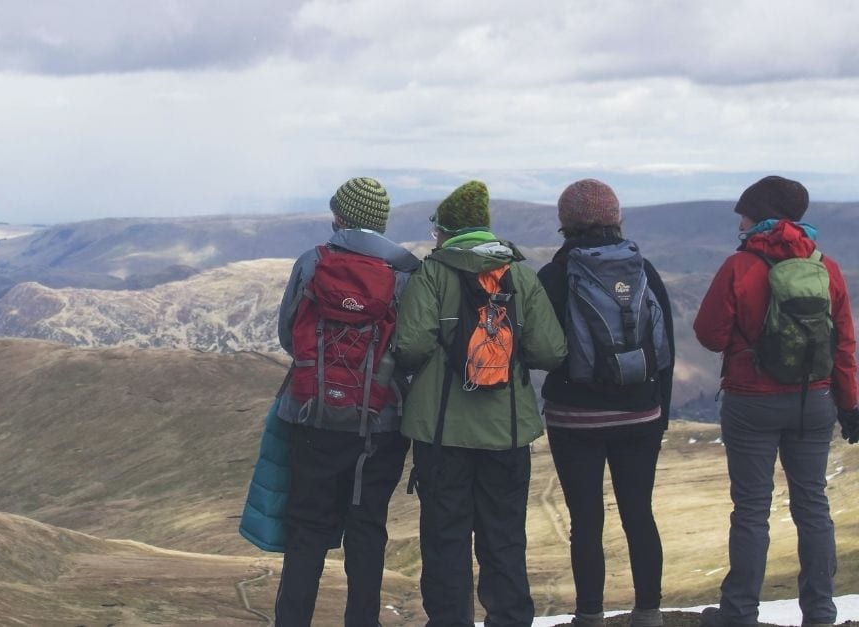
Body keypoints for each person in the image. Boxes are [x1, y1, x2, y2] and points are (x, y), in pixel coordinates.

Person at [394, 180, 567, 626]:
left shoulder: (431, 275)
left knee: (445, 539)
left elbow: (410, 347)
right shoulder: (521, 276)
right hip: (506, 434)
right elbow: (550, 352)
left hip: (440, 435)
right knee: (504, 538)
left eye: (437, 230)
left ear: (447, 231)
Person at [694, 175, 859, 627]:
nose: (740, 221)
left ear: (761, 215)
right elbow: (844, 343)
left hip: (752, 401)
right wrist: (850, 405)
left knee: (751, 508)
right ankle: (821, 613)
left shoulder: (740, 265)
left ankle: (740, 613)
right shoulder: (827, 266)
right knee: (813, 504)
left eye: (744, 213)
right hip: (814, 399)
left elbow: (708, 335)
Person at [272, 176, 420, 626]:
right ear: (381, 221)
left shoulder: (311, 263)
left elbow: (287, 335)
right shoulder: (407, 272)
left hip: (313, 418)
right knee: (367, 528)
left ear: (338, 216)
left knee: (307, 531)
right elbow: (412, 349)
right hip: (379, 425)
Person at [536, 179, 674, 627]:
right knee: (639, 512)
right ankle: (649, 612)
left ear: (565, 223)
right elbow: (665, 348)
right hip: (641, 415)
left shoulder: (554, 276)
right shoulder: (644, 271)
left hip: (575, 420)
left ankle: (590, 616)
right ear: (617, 219)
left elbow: (541, 349)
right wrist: (660, 414)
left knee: (586, 520)